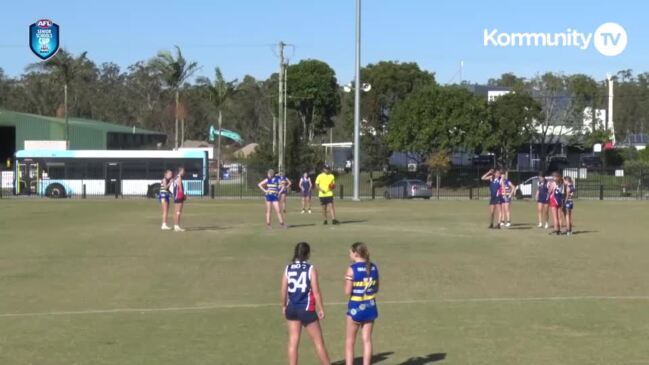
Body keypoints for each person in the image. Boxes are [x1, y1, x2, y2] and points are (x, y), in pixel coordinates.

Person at [281, 242, 331, 365]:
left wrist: (283, 305)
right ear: (307, 254)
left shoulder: (288, 268)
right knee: (318, 342)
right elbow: (316, 291)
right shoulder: (311, 269)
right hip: (306, 309)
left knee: (293, 342)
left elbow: (283, 289)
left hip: (291, 308)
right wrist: (321, 308)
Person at [345, 242, 379, 365]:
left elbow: (347, 291)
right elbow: (376, 288)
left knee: (350, 341)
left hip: (355, 309)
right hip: (370, 307)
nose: (349, 254)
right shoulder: (373, 267)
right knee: (367, 340)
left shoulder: (352, 268)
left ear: (356, 253)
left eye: (350, 252)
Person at [172, 166, 187, 232]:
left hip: (175, 196)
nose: (184, 172)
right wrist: (183, 195)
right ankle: (177, 226)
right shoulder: (179, 177)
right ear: (180, 171)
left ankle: (175, 225)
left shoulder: (175, 177)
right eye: (183, 171)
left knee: (176, 212)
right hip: (179, 196)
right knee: (178, 212)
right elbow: (180, 187)